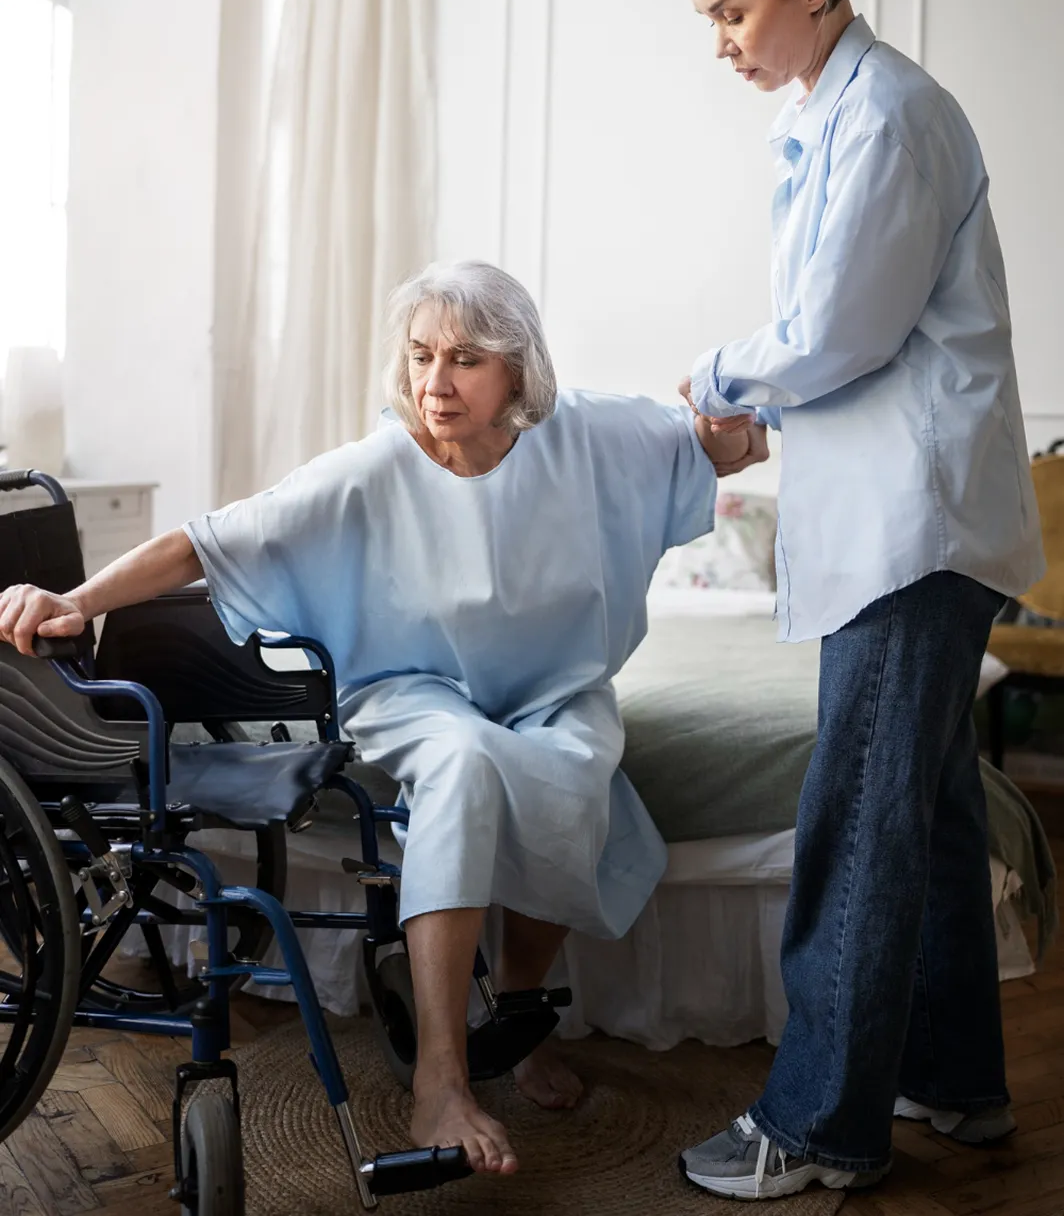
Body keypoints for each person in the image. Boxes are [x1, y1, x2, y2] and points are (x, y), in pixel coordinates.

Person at [0, 258, 766, 1178]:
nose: (433, 384)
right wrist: (77, 600)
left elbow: (718, 446)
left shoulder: (592, 434)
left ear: (517, 371)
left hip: (554, 687)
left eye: (465, 360)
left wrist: (743, 430)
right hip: (415, 687)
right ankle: (440, 1075)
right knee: (465, 763)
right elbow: (207, 540)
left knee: (579, 766)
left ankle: (517, 1015)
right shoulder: (375, 467)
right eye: (419, 356)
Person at [675, 0, 1045, 1200]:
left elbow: (838, 333)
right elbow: (871, 349)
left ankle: (820, 1122)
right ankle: (955, 1080)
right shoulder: (849, 118)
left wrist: (718, 377)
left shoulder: (886, 115)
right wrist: (770, 417)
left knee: (858, 818)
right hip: (910, 516)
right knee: (930, 814)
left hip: (914, 535)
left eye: (731, 12)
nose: (721, 41)